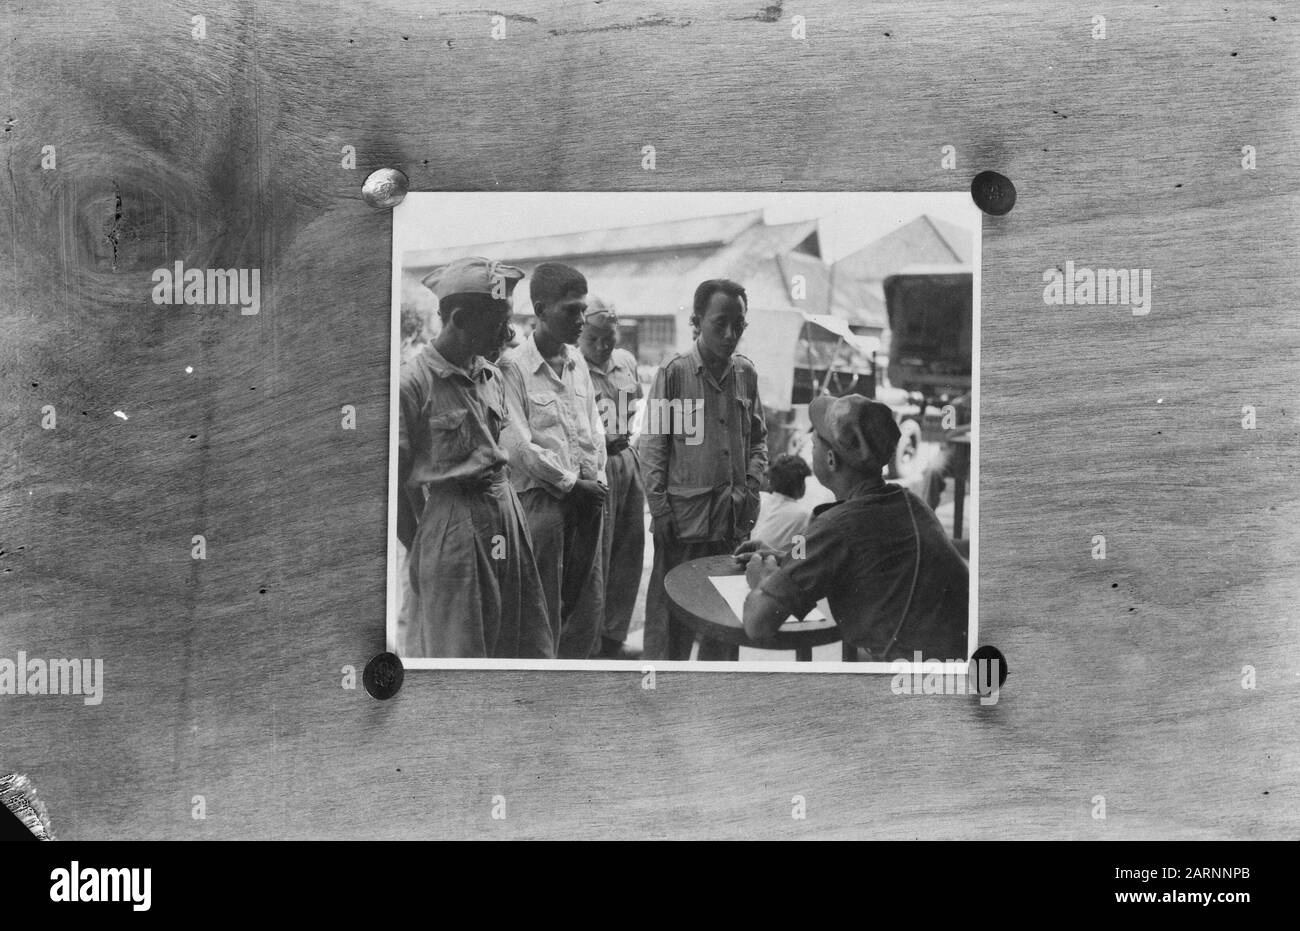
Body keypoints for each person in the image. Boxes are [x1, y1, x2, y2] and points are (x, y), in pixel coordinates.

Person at [398, 256, 554, 659]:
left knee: (518, 637)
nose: (509, 334)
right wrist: (422, 543)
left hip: (506, 517)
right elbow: (392, 484)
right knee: (461, 645)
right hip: (454, 528)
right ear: (460, 318)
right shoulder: (412, 384)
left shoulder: (492, 375)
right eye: (498, 321)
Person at [737, 394, 968, 662]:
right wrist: (785, 558)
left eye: (814, 444)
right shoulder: (909, 501)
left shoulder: (838, 525)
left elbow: (757, 624)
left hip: (914, 679)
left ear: (832, 460)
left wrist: (761, 582)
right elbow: (857, 556)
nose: (811, 450)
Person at [639, 279, 768, 661]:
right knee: (671, 624)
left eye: (739, 325)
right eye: (720, 323)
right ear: (697, 321)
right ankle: (663, 703)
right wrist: (660, 510)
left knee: (725, 624)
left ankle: (715, 706)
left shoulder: (746, 374)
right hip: (683, 523)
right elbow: (653, 446)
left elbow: (759, 440)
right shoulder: (674, 374)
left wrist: (753, 486)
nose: (731, 335)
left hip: (731, 523)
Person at [500, 263, 609, 659]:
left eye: (583, 309)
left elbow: (593, 427)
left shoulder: (577, 362)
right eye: (571, 311)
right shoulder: (513, 368)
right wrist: (569, 484)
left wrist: (597, 480)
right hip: (543, 504)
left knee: (584, 606)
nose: (581, 319)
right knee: (541, 609)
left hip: (587, 501)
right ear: (541, 310)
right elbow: (519, 446)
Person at [578, 298, 646, 660]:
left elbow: (635, 403)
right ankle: (588, 641)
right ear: (581, 337)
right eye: (595, 339)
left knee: (629, 548)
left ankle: (614, 634)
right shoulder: (572, 366)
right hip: (595, 464)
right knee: (597, 553)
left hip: (625, 457)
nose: (603, 346)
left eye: (610, 338)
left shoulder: (626, 362)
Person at [750, 454, 813, 552]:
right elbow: (800, 556)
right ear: (799, 483)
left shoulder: (760, 498)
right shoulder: (803, 515)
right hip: (773, 563)